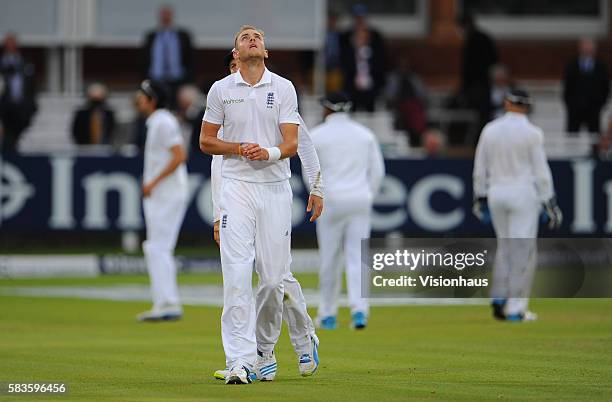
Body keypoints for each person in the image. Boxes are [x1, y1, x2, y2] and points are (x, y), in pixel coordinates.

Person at [200, 25, 322, 385]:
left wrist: (318, 186)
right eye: (243, 37)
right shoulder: (221, 92)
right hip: (237, 190)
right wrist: (218, 215)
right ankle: (244, 358)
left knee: (274, 279)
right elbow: (211, 154)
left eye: (258, 37)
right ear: (235, 56)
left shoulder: (282, 88)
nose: (252, 40)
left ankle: (296, 340)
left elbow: (300, 144)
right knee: (237, 276)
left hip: (274, 188)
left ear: (265, 52)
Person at [472, 89, 562, 322]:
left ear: (506, 103)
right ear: (527, 106)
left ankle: (499, 296)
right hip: (523, 193)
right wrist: (549, 201)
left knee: (505, 246)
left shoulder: (490, 130)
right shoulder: (532, 133)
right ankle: (516, 308)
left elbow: (479, 167)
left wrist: (480, 196)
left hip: (496, 192)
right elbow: (541, 172)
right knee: (523, 249)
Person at [309, 92, 384, 330]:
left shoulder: (317, 135)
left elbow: (310, 172)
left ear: (329, 109)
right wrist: (367, 194)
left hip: (330, 201)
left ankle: (328, 313)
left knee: (329, 257)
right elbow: (378, 172)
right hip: (359, 199)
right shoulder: (365, 135)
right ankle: (359, 310)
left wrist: (317, 194)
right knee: (357, 257)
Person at [135, 80, 188, 322]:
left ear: (153, 99)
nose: (138, 100)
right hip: (163, 193)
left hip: (166, 193)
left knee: (158, 247)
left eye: (142, 96)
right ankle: (165, 301)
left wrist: (153, 182)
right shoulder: (158, 121)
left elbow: (179, 155)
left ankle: (167, 303)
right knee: (157, 247)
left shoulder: (163, 121)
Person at [142, 5, 194, 108]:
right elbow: (144, 59)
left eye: (167, 16)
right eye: (163, 16)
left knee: (178, 106)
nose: (165, 18)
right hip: (155, 79)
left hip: (178, 79)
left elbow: (191, 59)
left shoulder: (183, 36)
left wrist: (189, 78)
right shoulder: (151, 36)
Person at [340, 4, 386, 112]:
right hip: (352, 86)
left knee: (371, 112)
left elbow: (380, 63)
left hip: (371, 86)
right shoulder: (346, 39)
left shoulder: (375, 40)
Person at [562, 38, 609, 134]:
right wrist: (570, 103)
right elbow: (567, 86)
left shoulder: (601, 66)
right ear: (580, 48)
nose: (587, 49)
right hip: (575, 109)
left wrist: (601, 103)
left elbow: (605, 86)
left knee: (595, 136)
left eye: (589, 46)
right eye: (585, 46)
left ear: (594, 49)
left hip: (594, 108)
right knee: (572, 136)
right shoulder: (572, 65)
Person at [0, 33, 37, 153]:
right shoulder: (2, 62)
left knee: (16, 137)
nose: (10, 46)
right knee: (8, 137)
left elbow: (32, 86)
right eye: (8, 43)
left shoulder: (26, 62)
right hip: (4, 108)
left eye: (13, 43)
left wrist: (32, 105)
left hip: (22, 107)